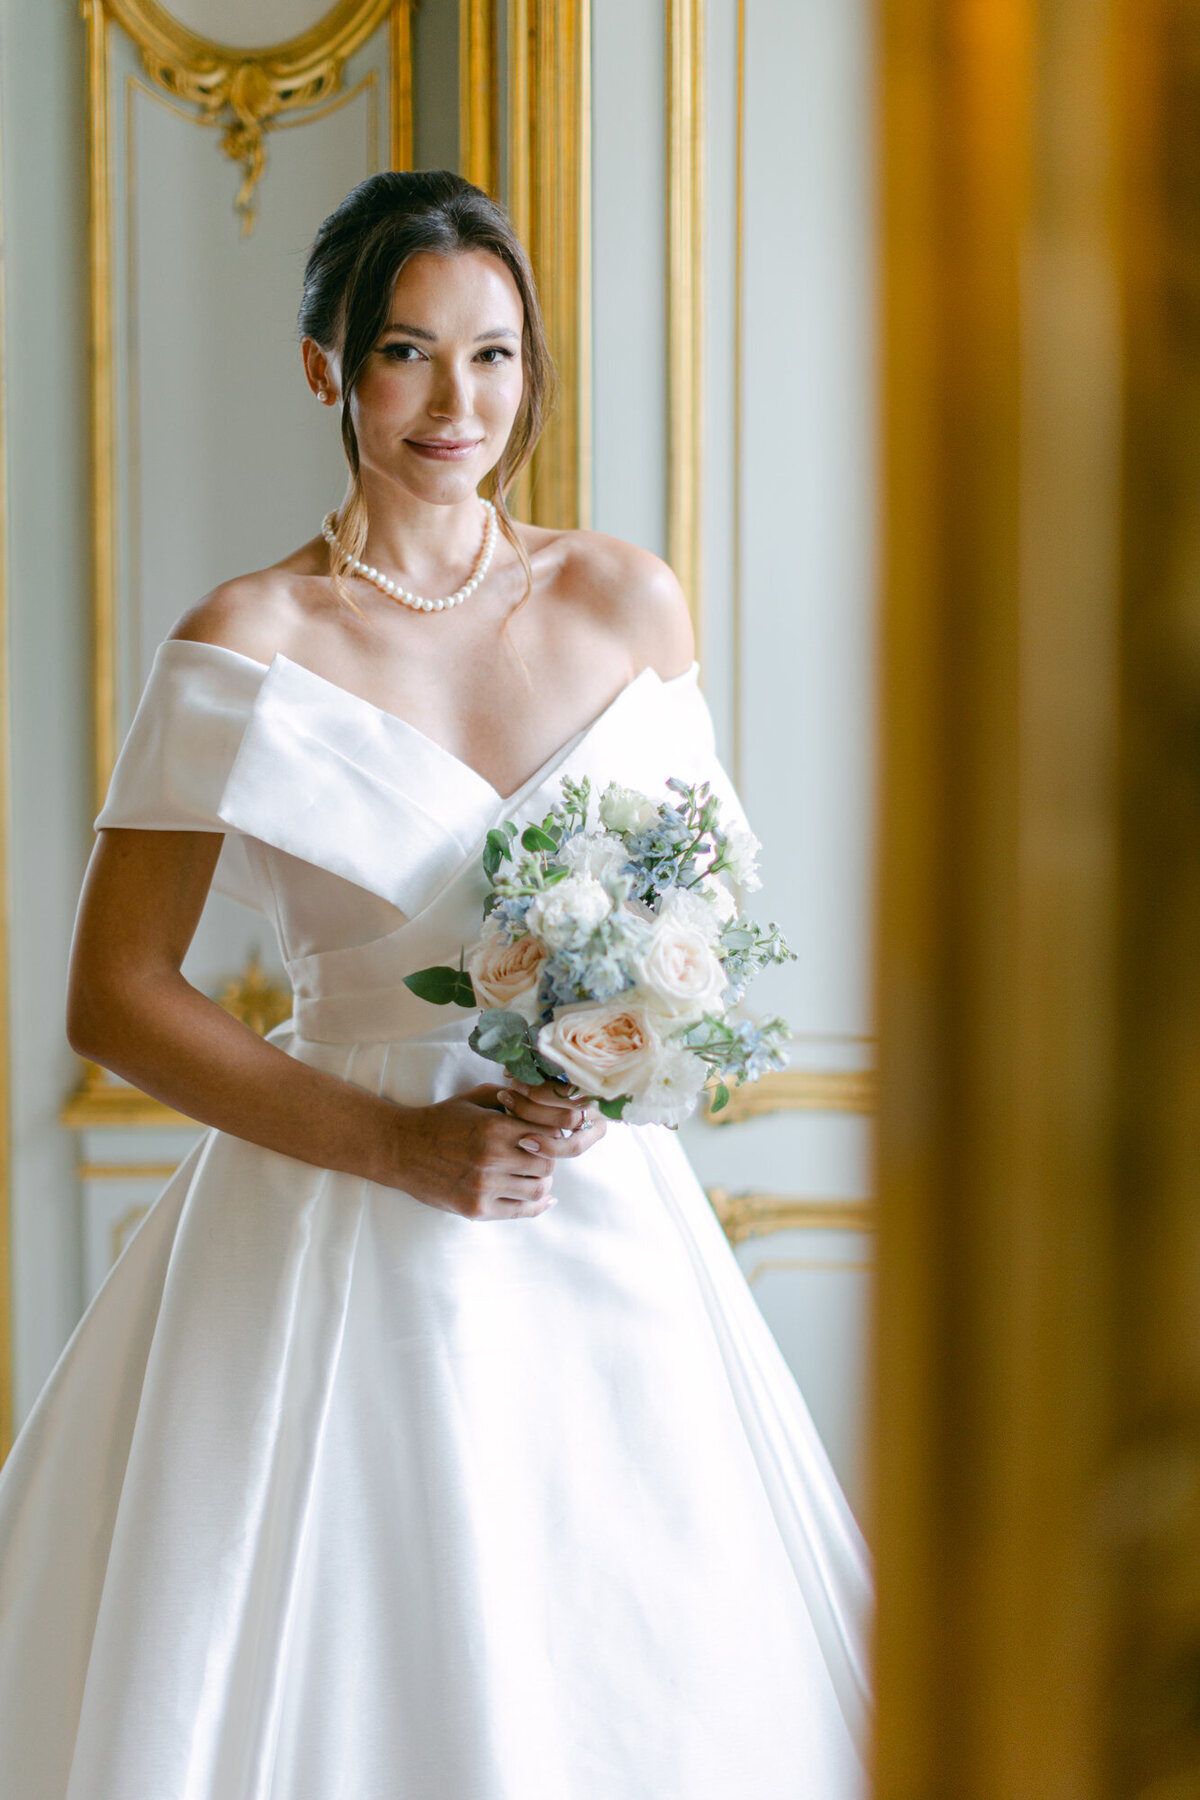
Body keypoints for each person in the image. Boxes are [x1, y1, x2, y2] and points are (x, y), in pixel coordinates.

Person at [0, 171, 872, 1798]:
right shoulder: (246, 640)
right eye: (408, 353)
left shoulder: (628, 598)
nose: (458, 402)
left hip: (603, 1222)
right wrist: (398, 1147)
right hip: (338, 1210)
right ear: (328, 365)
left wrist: (629, 1058)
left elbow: (702, 906)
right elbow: (115, 996)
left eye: (495, 355)